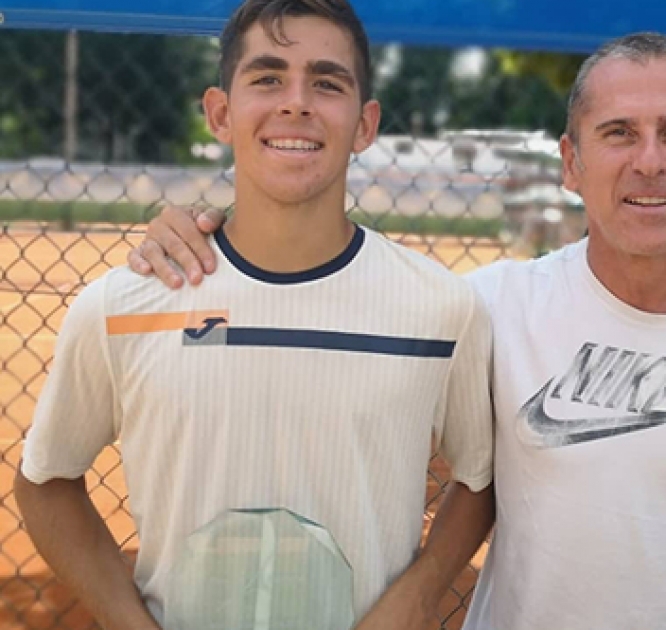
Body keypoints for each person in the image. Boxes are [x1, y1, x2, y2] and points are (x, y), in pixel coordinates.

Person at [128, 32, 666, 630]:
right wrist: (198, 240)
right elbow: (319, 286)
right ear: (572, 163)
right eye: (618, 133)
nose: (651, 160)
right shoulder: (490, 307)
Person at [15, 1, 495, 629]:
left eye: (327, 83)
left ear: (365, 124)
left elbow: (479, 479)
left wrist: (421, 593)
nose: (296, 102)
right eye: (268, 78)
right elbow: (46, 480)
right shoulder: (123, 306)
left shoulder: (443, 309)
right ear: (220, 112)